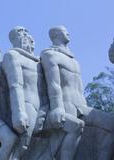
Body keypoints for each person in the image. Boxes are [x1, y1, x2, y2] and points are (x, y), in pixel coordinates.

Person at [41, 25, 114, 160]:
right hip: (66, 104)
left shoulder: (74, 61)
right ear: (55, 34)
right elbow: (54, 83)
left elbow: (79, 87)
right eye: (64, 31)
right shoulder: (49, 54)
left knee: (111, 123)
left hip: (82, 106)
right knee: (76, 127)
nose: (68, 33)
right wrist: (57, 107)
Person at [2, 26, 49, 160]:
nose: (26, 34)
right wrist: (19, 111)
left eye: (26, 31)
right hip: (27, 103)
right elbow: (15, 85)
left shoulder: (39, 60)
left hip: (45, 105)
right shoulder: (12, 55)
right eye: (20, 32)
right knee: (23, 144)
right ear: (13, 38)